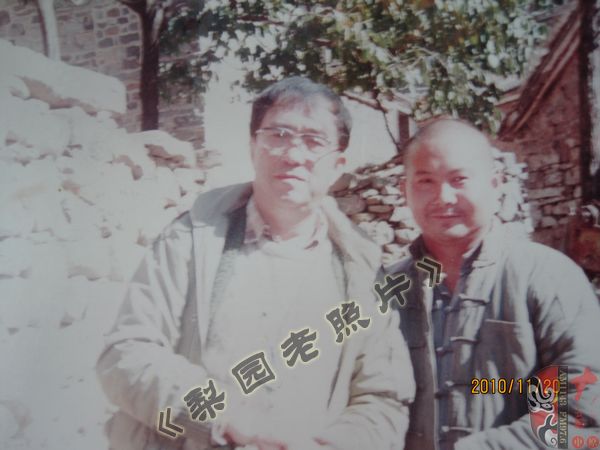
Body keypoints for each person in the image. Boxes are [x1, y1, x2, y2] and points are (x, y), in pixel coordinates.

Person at [96, 77, 415, 450]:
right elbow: (125, 354)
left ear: (338, 163)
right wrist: (225, 418)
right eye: (278, 135)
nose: (293, 155)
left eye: (314, 141)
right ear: (253, 147)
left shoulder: (361, 270)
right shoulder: (192, 240)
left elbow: (383, 398)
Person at [383, 118, 600, 449]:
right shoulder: (386, 289)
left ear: (495, 183)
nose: (443, 197)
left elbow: (580, 416)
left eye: (459, 179)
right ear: (405, 190)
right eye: (425, 181)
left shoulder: (549, 277)